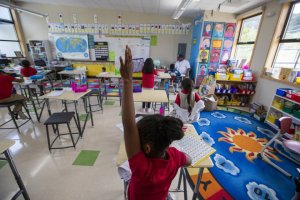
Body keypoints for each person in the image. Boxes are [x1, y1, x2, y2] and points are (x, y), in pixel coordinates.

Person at [119, 45, 191, 200]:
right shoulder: (174, 157)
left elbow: (128, 125)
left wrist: (127, 80)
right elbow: (188, 160)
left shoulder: (142, 169)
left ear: (146, 147)